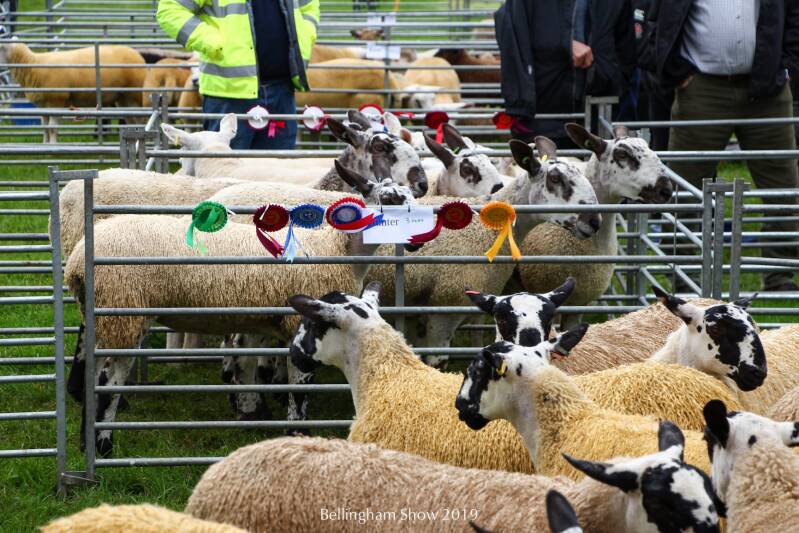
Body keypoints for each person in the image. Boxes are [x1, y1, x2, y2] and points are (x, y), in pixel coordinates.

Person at [648, 0, 799, 291]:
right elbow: (654, 18)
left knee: (784, 189)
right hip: (701, 87)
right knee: (683, 190)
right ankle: (683, 279)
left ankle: (780, 278)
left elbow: (793, 14)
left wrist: (788, 66)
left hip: (767, 89)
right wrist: (676, 71)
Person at [157, 0, 320, 150]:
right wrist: (213, 41)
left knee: (278, 172)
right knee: (225, 172)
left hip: (281, 91)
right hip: (229, 95)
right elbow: (171, 9)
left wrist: (306, 33)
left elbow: (309, 6)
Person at [494, 0, 636, 148]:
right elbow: (513, 30)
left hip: (598, 119)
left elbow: (626, 52)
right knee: (545, 168)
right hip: (543, 118)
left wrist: (611, 82)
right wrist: (566, 45)